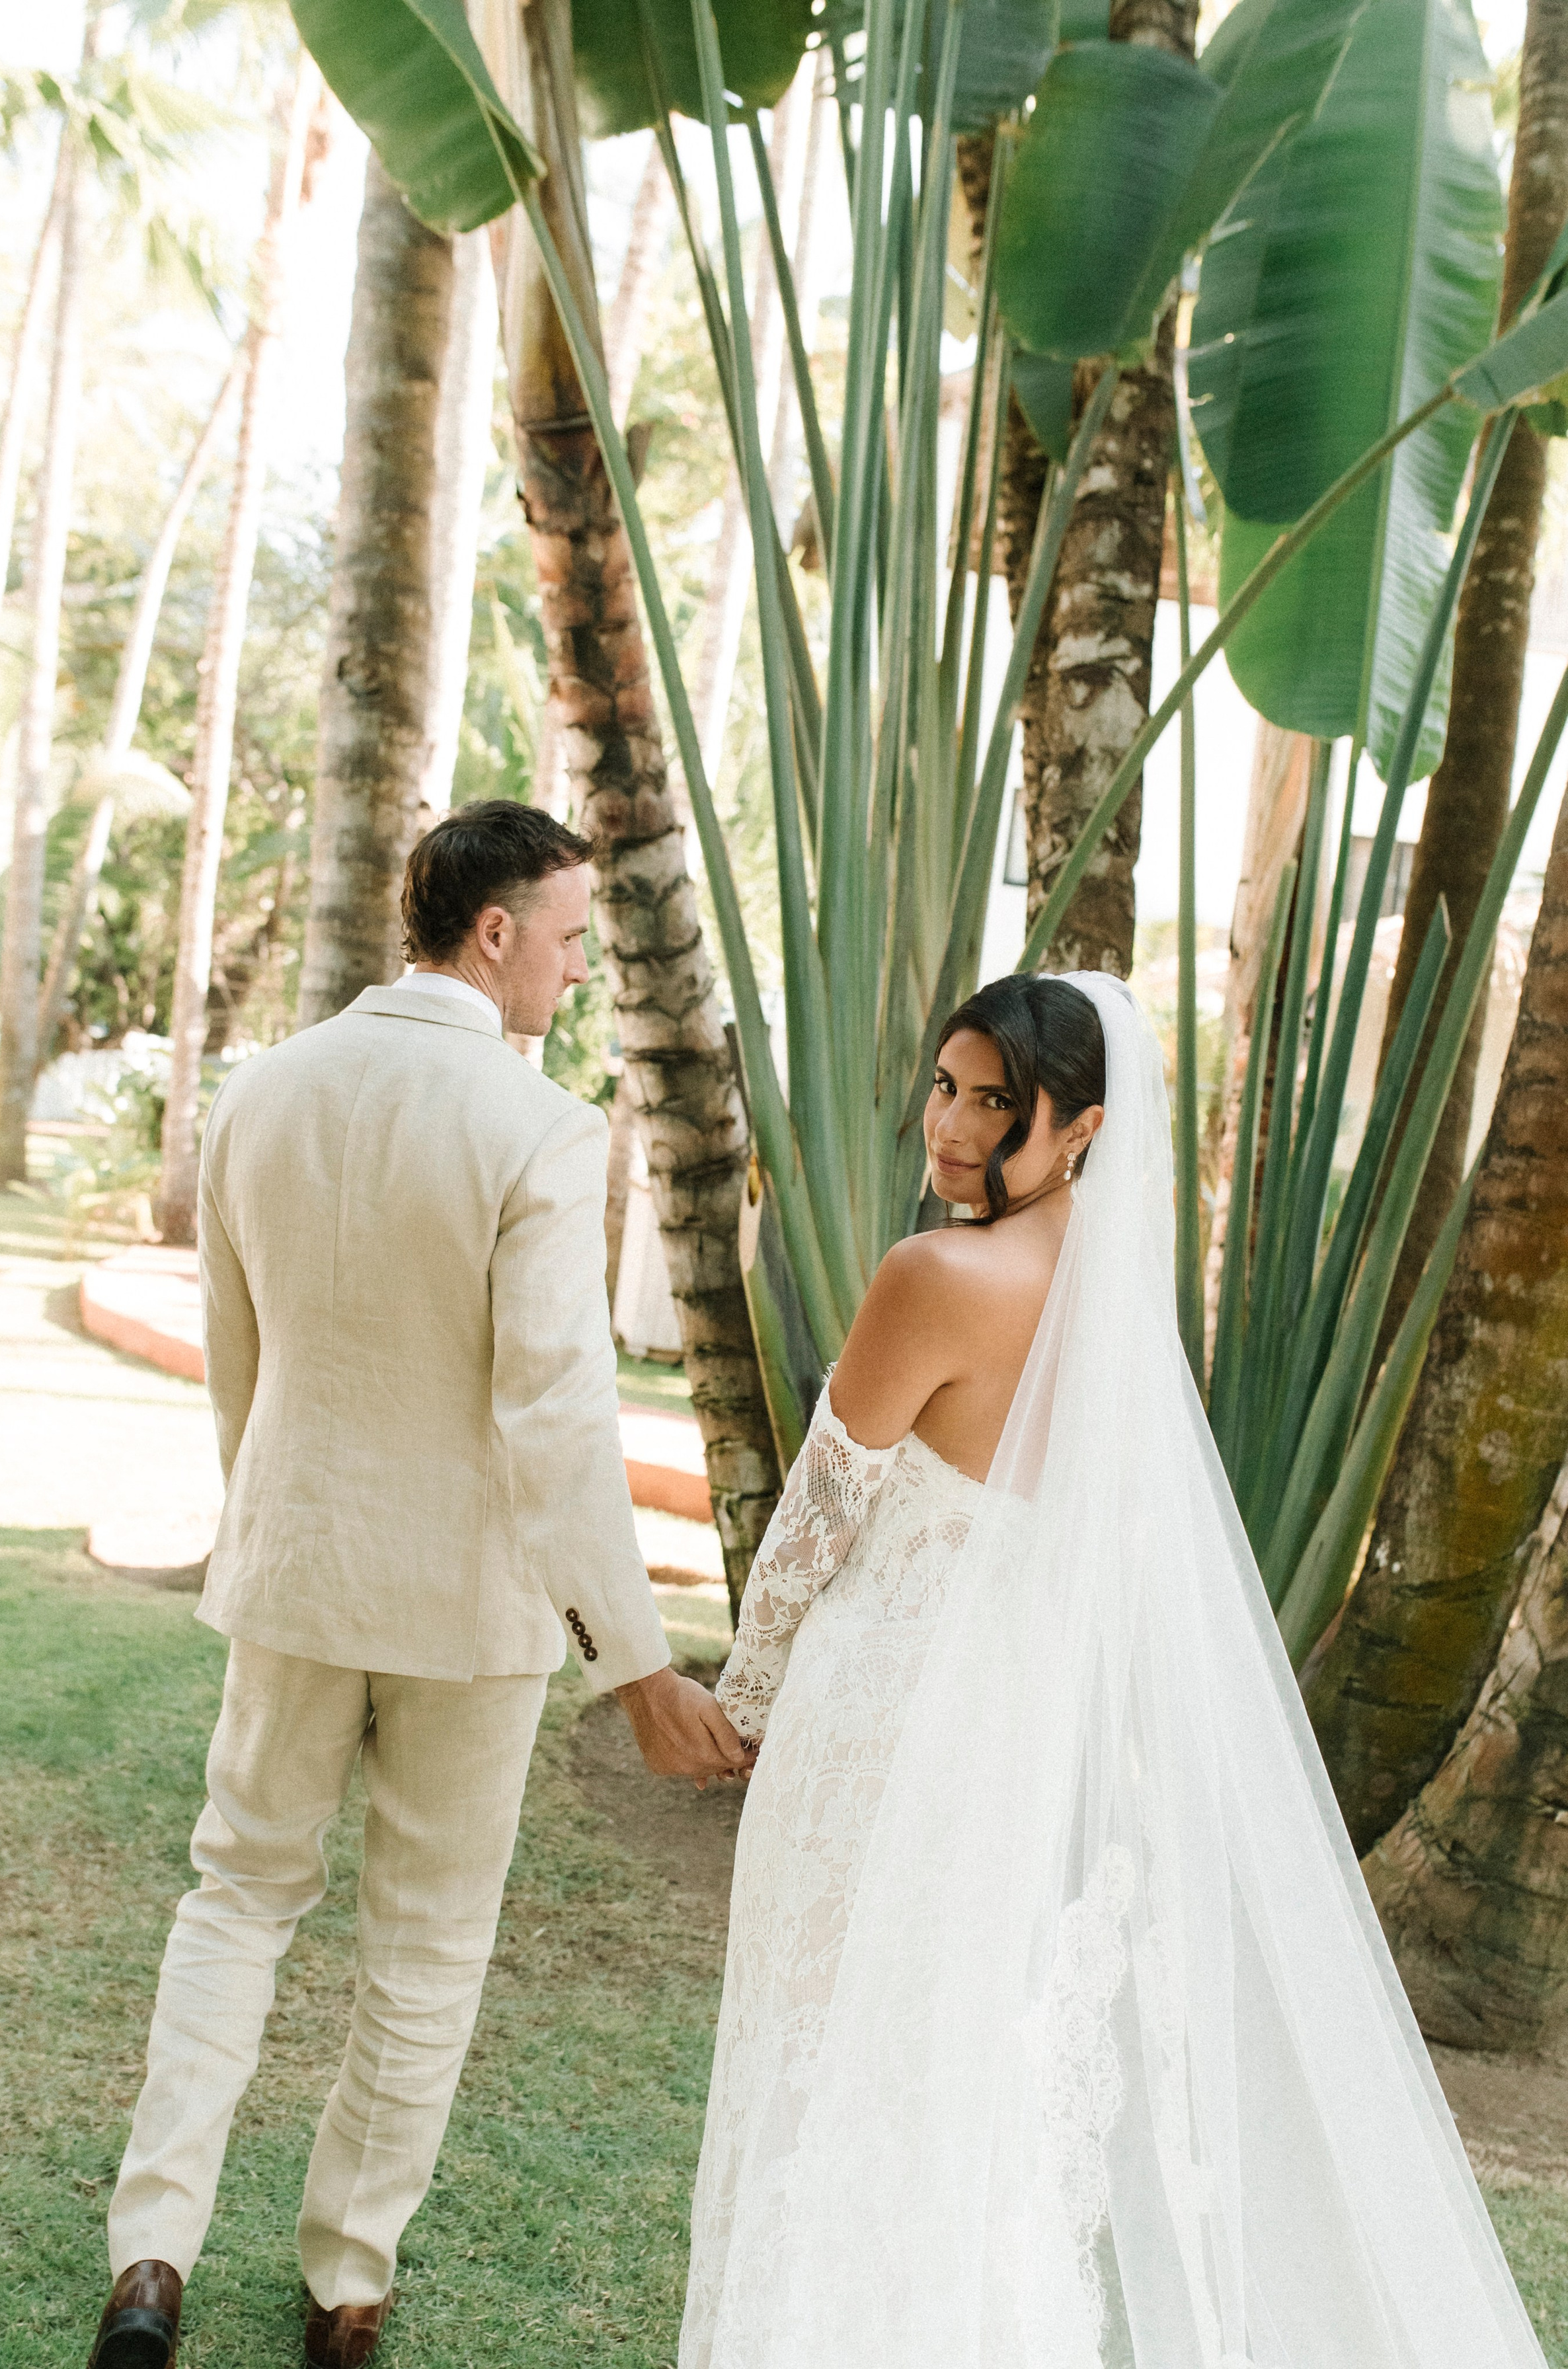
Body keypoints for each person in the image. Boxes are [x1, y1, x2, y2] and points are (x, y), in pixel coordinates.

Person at [681, 971, 1546, 2369]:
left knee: (823, 2069)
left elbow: (813, 1523)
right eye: (946, 1087)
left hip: (876, 1718)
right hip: (1006, 1743)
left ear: (1078, 1126)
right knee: (953, 2086)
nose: (949, 1128)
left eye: (994, 1104)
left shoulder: (931, 1275)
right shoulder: (1121, 1312)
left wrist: (745, 1705)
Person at [90, 801, 747, 2369]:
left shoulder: (261, 1094)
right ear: (497, 931)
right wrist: (634, 1660)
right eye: (571, 937)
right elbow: (555, 1415)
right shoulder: (534, 1128)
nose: (579, 970)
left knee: (234, 1900)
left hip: (295, 1574)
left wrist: (278, 1533)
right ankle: (344, 2287)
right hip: (471, 1616)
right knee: (427, 1948)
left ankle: (151, 2261)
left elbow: (244, 1377)